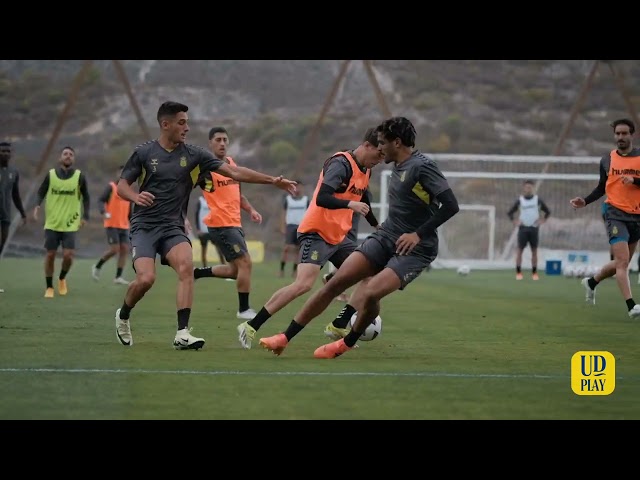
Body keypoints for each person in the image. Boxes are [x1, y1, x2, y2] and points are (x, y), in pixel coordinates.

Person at [258, 116, 460, 358]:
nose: (380, 147)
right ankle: (284, 338)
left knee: (372, 291)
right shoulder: (395, 166)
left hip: (416, 248)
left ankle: (345, 343)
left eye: (383, 142)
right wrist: (377, 225)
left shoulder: (422, 167)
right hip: (386, 236)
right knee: (335, 283)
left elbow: (450, 205)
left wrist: (417, 234)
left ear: (397, 143)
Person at [113, 101, 296, 350]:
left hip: (173, 228)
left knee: (187, 268)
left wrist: (272, 180)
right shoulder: (144, 153)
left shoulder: (195, 156)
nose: (187, 127)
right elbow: (122, 185)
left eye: (187, 122)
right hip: (144, 226)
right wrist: (135, 197)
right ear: (165, 124)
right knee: (146, 279)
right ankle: (123, 315)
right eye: (181, 122)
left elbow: (235, 172)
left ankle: (182, 333)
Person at [236, 127, 383, 350]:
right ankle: (251, 325)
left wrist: (375, 225)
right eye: (379, 154)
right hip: (317, 232)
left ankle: (339, 323)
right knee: (303, 284)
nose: (381, 160)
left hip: (339, 236)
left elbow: (363, 198)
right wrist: (349, 204)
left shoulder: (366, 170)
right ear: (367, 145)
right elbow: (323, 196)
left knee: (370, 274)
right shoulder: (340, 164)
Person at [570, 118, 640, 318]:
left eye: (624, 133)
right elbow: (602, 187)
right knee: (622, 261)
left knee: (622, 264)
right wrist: (585, 201)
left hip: (637, 215)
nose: (620, 137)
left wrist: (634, 180)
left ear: (632, 135)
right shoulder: (607, 160)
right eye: (617, 134)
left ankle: (591, 282)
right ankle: (631, 306)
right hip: (614, 213)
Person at [192, 126, 264, 320]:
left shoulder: (231, 164)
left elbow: (238, 194)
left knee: (234, 271)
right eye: (218, 140)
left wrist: (251, 210)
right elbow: (183, 189)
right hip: (221, 224)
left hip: (235, 224)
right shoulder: (205, 169)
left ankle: (197, 273)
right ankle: (244, 309)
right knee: (246, 263)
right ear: (210, 143)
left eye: (225, 140)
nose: (222, 143)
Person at [33, 146, 90, 298]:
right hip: (52, 223)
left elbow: (87, 197)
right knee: (50, 254)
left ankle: (62, 278)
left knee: (68, 255)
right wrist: (37, 206)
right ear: (60, 158)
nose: (68, 156)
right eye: (65, 154)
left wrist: (86, 216)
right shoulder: (51, 175)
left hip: (70, 223)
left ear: (74, 159)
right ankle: (49, 287)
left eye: (71, 154)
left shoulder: (79, 177)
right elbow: (41, 191)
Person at [91, 165, 132, 285]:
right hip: (112, 224)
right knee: (115, 249)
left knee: (125, 249)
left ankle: (118, 277)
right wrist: (103, 212)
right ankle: (97, 266)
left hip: (124, 225)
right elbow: (101, 200)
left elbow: (130, 210)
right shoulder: (111, 187)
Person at [506, 179, 551, 280]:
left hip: (534, 228)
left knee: (534, 251)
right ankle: (518, 273)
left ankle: (534, 273)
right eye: (526, 187)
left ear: (533, 188)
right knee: (519, 251)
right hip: (523, 229)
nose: (528, 189)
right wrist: (515, 221)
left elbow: (547, 211)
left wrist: (542, 220)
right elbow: (510, 213)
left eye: (530, 187)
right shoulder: (520, 200)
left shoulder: (537, 200)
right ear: (524, 188)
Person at [0, 141, 27, 256]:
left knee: (3, 242)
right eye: (3, 151)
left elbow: (15, 195)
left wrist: (22, 213)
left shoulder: (14, 172)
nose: (6, 153)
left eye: (8, 151)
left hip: (5, 213)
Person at [279, 181, 309, 278]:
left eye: (299, 187)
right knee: (286, 248)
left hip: (301, 226)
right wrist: (283, 226)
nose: (298, 189)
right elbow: (283, 213)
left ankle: (294, 272)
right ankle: (281, 270)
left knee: (297, 250)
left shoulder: (306, 200)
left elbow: (309, 214)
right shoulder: (288, 200)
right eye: (296, 187)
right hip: (290, 226)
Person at [193, 193, 226, 268]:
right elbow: (196, 215)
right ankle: (204, 267)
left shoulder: (213, 200)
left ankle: (223, 265)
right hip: (203, 230)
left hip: (212, 229)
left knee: (219, 248)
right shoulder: (200, 201)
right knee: (204, 249)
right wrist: (198, 229)